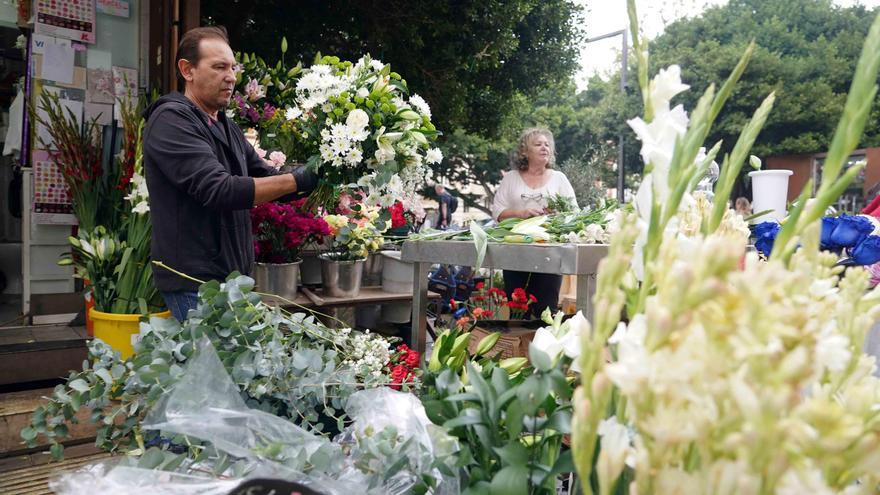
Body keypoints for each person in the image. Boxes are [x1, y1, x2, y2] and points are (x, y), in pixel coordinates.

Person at [143, 26, 316, 321]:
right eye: (219, 67)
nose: (232, 77)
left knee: (224, 367)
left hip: (231, 279)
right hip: (196, 285)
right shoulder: (171, 120)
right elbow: (219, 189)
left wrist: (322, 169)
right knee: (214, 366)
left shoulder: (226, 126)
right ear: (187, 70)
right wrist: (298, 179)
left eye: (233, 68)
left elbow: (265, 175)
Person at [491, 128, 577, 318]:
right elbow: (497, 211)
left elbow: (574, 212)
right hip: (515, 253)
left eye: (547, 144)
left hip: (550, 254)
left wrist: (557, 215)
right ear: (524, 151)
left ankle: (544, 345)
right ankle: (517, 347)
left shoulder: (559, 179)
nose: (544, 147)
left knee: (546, 311)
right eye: (538, 144)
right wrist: (521, 213)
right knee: (517, 310)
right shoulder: (511, 178)